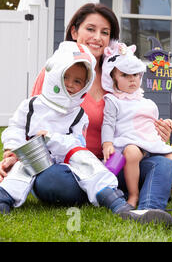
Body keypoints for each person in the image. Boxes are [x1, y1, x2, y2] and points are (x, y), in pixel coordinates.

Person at [0, 3, 172, 226]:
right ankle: (105, 192)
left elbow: (135, 120)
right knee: (50, 180)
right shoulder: (55, 73)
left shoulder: (118, 75)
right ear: (75, 32)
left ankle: (147, 210)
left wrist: (156, 133)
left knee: (162, 165)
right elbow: (29, 123)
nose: (97, 37)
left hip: (114, 163)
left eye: (105, 32)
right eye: (90, 29)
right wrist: (11, 154)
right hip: (68, 167)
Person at [0, 41, 133, 216]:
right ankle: (4, 199)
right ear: (54, 74)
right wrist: (12, 151)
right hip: (34, 158)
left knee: (86, 162)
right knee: (20, 169)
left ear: (85, 84)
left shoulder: (78, 114)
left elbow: (77, 143)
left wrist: (52, 138)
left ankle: (115, 202)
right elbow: (16, 127)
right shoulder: (32, 105)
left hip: (65, 162)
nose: (70, 84)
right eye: (65, 77)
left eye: (77, 81)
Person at [101, 41, 172, 206]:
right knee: (132, 153)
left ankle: (167, 187)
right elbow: (108, 124)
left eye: (135, 75)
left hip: (151, 145)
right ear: (113, 78)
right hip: (130, 142)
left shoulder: (147, 102)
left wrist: (165, 123)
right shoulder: (113, 100)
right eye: (124, 75)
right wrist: (107, 143)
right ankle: (134, 194)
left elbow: (152, 125)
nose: (131, 79)